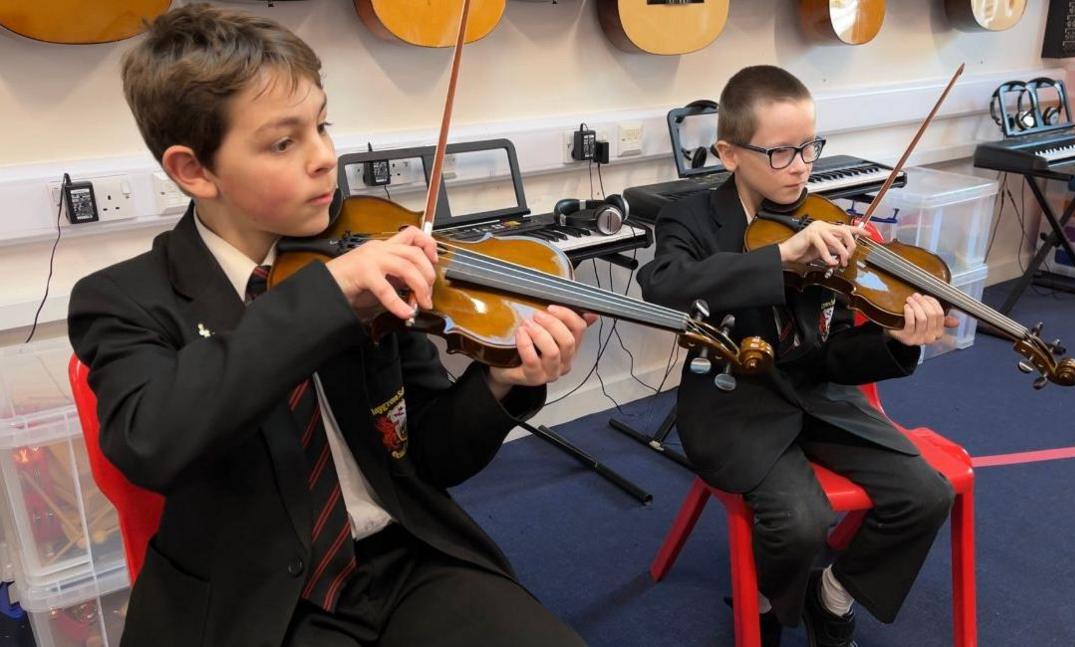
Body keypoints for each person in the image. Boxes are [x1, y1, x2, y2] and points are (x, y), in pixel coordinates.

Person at [68, 5, 592, 646]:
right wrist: (325, 299)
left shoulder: (360, 250)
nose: (325, 158)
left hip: (404, 559)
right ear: (193, 170)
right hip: (257, 600)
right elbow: (151, 440)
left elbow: (429, 457)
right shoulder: (122, 298)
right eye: (284, 142)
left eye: (323, 125)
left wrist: (499, 384)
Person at [637, 65, 960, 647]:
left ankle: (829, 594)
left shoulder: (825, 221)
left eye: (810, 147)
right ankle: (765, 598)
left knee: (927, 493)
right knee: (800, 520)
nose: (803, 166)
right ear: (730, 153)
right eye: (781, 152)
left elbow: (833, 353)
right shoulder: (690, 218)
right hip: (736, 403)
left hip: (816, 393)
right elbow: (663, 283)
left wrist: (895, 341)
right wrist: (779, 257)